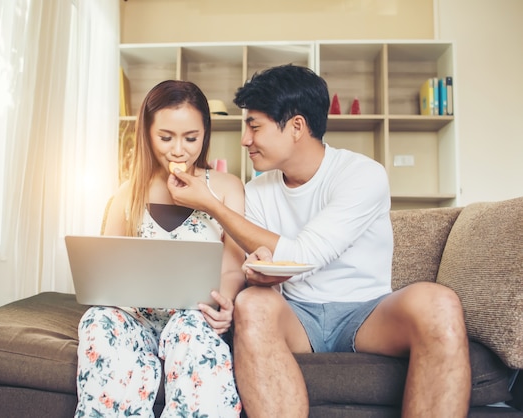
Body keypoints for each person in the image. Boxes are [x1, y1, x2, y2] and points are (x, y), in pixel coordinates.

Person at [167, 65, 471, 417]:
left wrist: (209, 203)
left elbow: (303, 255)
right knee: (253, 303)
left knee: (439, 302)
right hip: (298, 318)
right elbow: (261, 262)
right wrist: (256, 273)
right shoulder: (258, 192)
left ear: (296, 126)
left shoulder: (362, 175)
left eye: (255, 126)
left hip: (367, 313)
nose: (245, 139)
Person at [75, 80, 245, 417]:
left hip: (193, 315)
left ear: (205, 134)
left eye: (191, 138)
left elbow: (232, 267)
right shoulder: (129, 191)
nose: (179, 150)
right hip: (136, 318)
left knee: (194, 333)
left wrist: (223, 305)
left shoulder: (226, 188)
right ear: (147, 134)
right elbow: (107, 265)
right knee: (97, 319)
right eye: (166, 138)